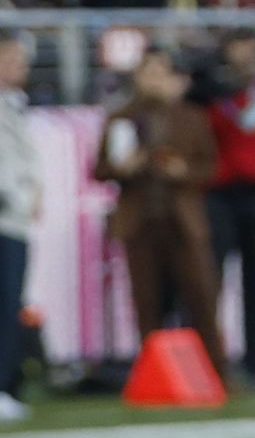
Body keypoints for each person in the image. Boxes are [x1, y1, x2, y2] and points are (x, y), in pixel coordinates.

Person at [94, 46, 226, 380]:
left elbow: (210, 167)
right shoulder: (121, 117)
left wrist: (183, 171)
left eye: (159, 73)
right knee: (147, 302)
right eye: (148, 73)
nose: (154, 80)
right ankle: (155, 374)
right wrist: (125, 168)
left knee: (200, 297)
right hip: (139, 221)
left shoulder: (190, 117)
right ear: (138, 77)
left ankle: (214, 372)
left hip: (183, 221)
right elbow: (100, 168)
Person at [195, 26, 255, 390]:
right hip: (219, 194)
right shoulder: (210, 91)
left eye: (251, 46)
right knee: (210, 278)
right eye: (239, 47)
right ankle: (207, 360)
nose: (246, 54)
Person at [0, 30, 41, 421]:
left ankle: (6, 383)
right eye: (10, 59)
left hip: (15, 220)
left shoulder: (13, 104)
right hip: (4, 216)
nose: (19, 68)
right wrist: (18, 197)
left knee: (11, 304)